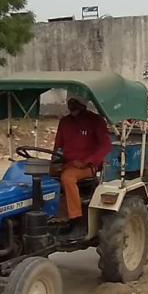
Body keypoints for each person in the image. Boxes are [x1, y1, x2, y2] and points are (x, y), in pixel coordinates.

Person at [51, 95, 113, 225]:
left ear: (83, 104)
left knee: (67, 178)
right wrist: (54, 162)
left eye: (76, 102)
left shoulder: (95, 121)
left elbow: (106, 146)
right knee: (38, 177)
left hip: (86, 166)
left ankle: (75, 217)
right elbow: (58, 146)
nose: (72, 105)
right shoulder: (65, 122)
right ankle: (49, 214)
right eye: (70, 102)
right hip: (67, 164)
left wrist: (87, 161)